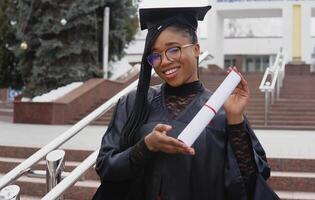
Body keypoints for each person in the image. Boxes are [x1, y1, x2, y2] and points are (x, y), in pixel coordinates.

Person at [93, 1, 279, 200]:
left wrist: (235, 121)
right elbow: (106, 167)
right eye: (155, 56)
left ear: (197, 49)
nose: (164, 61)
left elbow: (250, 183)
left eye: (173, 49)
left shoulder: (221, 110)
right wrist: (146, 146)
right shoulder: (133, 103)